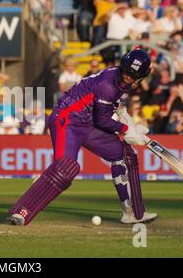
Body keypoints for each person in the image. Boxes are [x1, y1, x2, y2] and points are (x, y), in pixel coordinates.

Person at [8, 49, 157, 226]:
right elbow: (103, 120)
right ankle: (21, 211)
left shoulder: (119, 79)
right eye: (126, 73)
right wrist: (127, 129)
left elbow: (114, 106)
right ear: (122, 66)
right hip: (67, 120)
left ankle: (131, 212)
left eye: (133, 76)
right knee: (65, 170)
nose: (128, 77)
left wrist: (129, 123)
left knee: (124, 154)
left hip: (87, 123)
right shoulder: (108, 85)